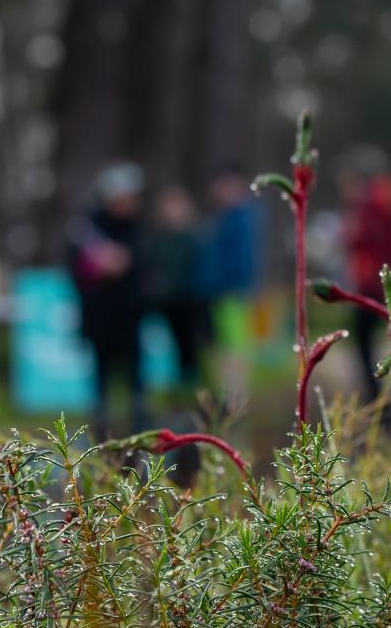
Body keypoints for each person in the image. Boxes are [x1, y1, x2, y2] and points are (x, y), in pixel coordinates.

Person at [68, 163, 149, 437]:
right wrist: (99, 263)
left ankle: (139, 425)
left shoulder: (139, 229)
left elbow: (147, 266)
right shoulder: (88, 226)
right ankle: (101, 428)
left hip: (130, 314)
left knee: (134, 373)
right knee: (100, 372)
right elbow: (73, 265)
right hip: (100, 315)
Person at [195, 164, 265, 408]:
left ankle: (234, 400)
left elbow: (240, 260)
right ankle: (230, 397)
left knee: (234, 348)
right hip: (222, 292)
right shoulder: (227, 217)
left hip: (232, 293)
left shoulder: (239, 219)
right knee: (225, 348)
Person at [338, 148, 391, 400]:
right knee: (370, 342)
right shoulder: (384, 196)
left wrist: (355, 206)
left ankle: (378, 401)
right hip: (373, 279)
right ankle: (379, 400)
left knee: (366, 343)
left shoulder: (373, 202)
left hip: (371, 282)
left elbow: (360, 238)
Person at [147, 184, 206, 399]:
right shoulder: (158, 237)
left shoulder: (195, 236)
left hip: (191, 303)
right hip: (167, 304)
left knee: (193, 354)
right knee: (170, 354)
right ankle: (178, 396)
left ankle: (195, 396)